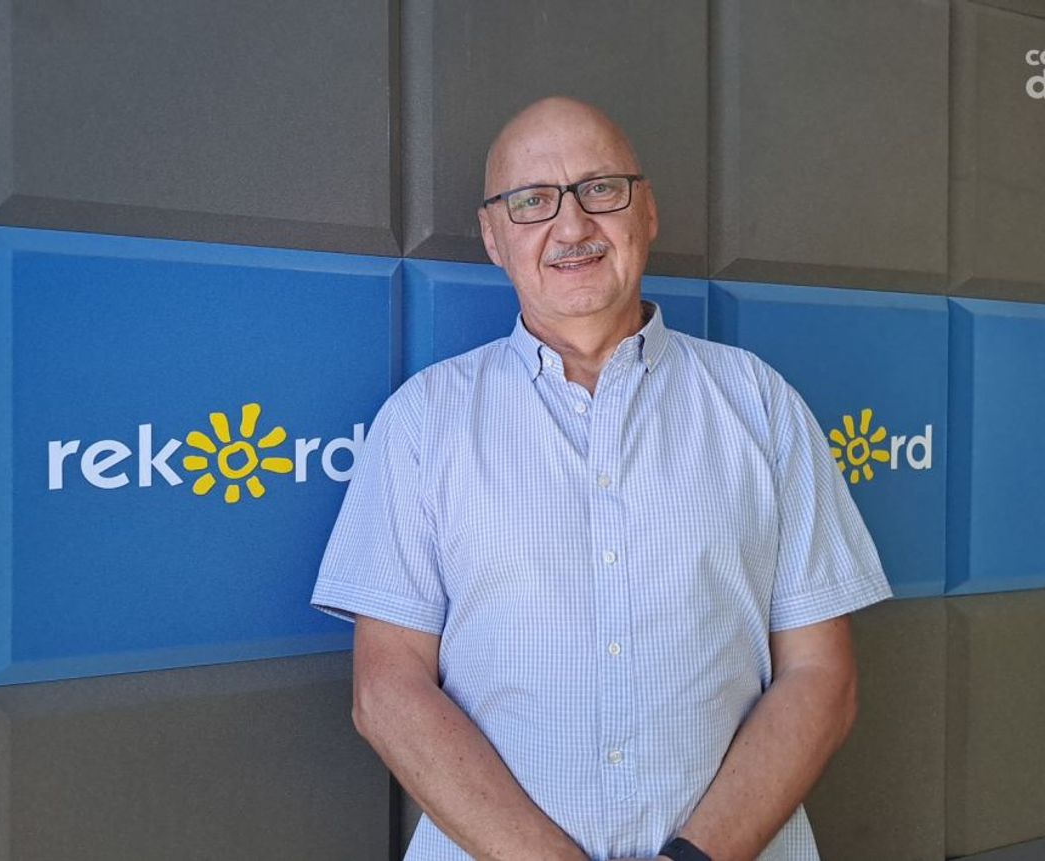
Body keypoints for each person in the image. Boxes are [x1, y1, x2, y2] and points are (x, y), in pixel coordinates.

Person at [311, 96, 891, 861]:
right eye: (532, 201)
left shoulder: (760, 401)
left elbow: (821, 677)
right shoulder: (423, 421)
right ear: (492, 235)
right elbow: (388, 690)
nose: (572, 224)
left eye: (601, 188)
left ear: (646, 211)